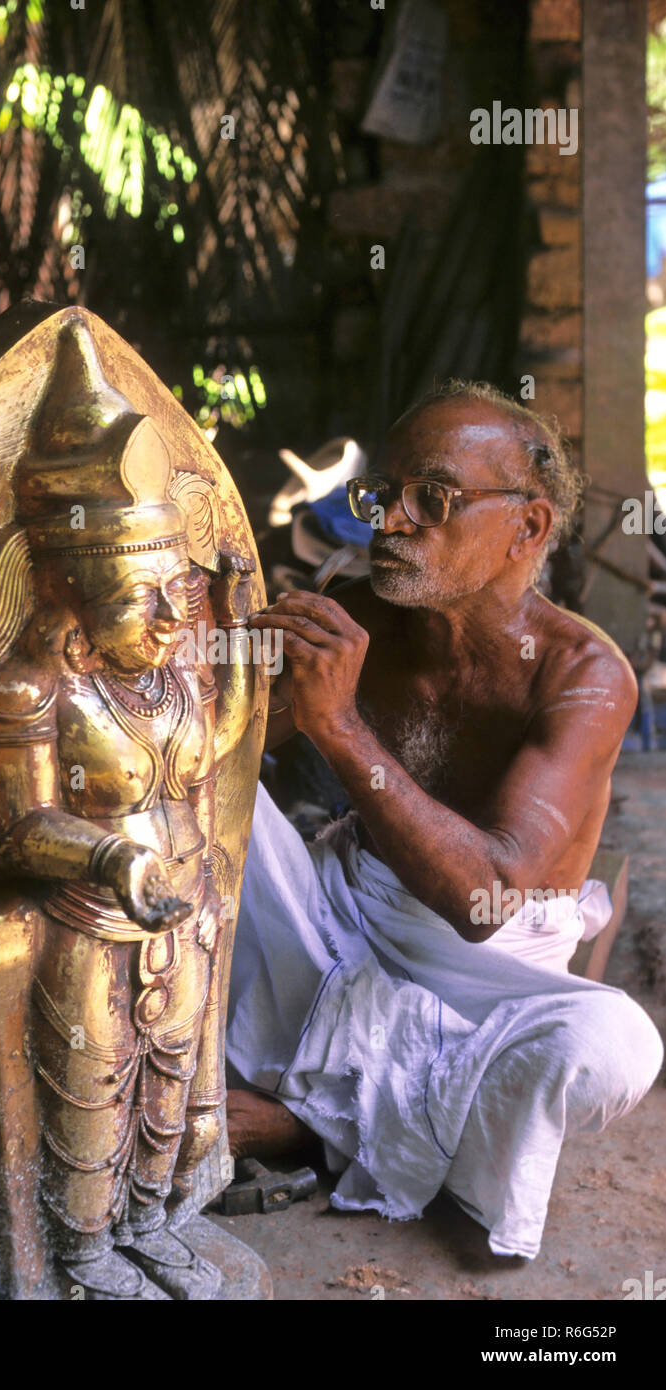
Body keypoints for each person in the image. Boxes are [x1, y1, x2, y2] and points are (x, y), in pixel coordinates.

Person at [225, 381, 663, 1260]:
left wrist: (339, 728)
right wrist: (238, 677)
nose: (389, 522)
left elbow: (487, 899)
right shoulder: (364, 616)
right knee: (191, 840)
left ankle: (305, 1123)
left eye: (433, 498)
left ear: (527, 528)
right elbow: (218, 757)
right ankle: (338, 1114)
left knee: (609, 1044)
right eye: (380, 495)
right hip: (344, 918)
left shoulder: (583, 675)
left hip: (490, 972)